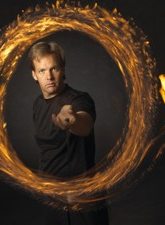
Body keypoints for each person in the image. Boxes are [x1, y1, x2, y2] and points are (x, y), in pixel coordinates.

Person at [28, 41, 109, 225]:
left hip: (81, 198)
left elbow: (85, 124)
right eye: (42, 70)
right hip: (52, 197)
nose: (49, 76)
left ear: (62, 70)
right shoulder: (37, 104)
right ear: (34, 75)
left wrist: (72, 121)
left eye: (54, 68)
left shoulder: (79, 99)